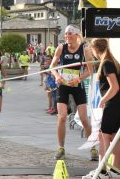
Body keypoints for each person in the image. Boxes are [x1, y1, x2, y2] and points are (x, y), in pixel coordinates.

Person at [50, 24, 98, 160]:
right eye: (65, 34)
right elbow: (52, 66)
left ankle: (93, 148)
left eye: (69, 33)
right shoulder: (61, 48)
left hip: (77, 84)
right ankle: (61, 148)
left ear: (77, 35)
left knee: (83, 118)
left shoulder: (85, 49)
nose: (67, 36)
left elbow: (90, 70)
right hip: (63, 85)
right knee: (62, 116)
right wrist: (57, 76)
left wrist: (79, 79)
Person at [82, 39, 120, 179]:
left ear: (96, 49)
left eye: (92, 51)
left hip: (112, 104)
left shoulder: (107, 63)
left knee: (102, 137)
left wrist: (102, 101)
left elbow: (114, 86)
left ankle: (102, 171)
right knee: (115, 138)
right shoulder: (115, 62)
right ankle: (115, 171)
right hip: (117, 104)